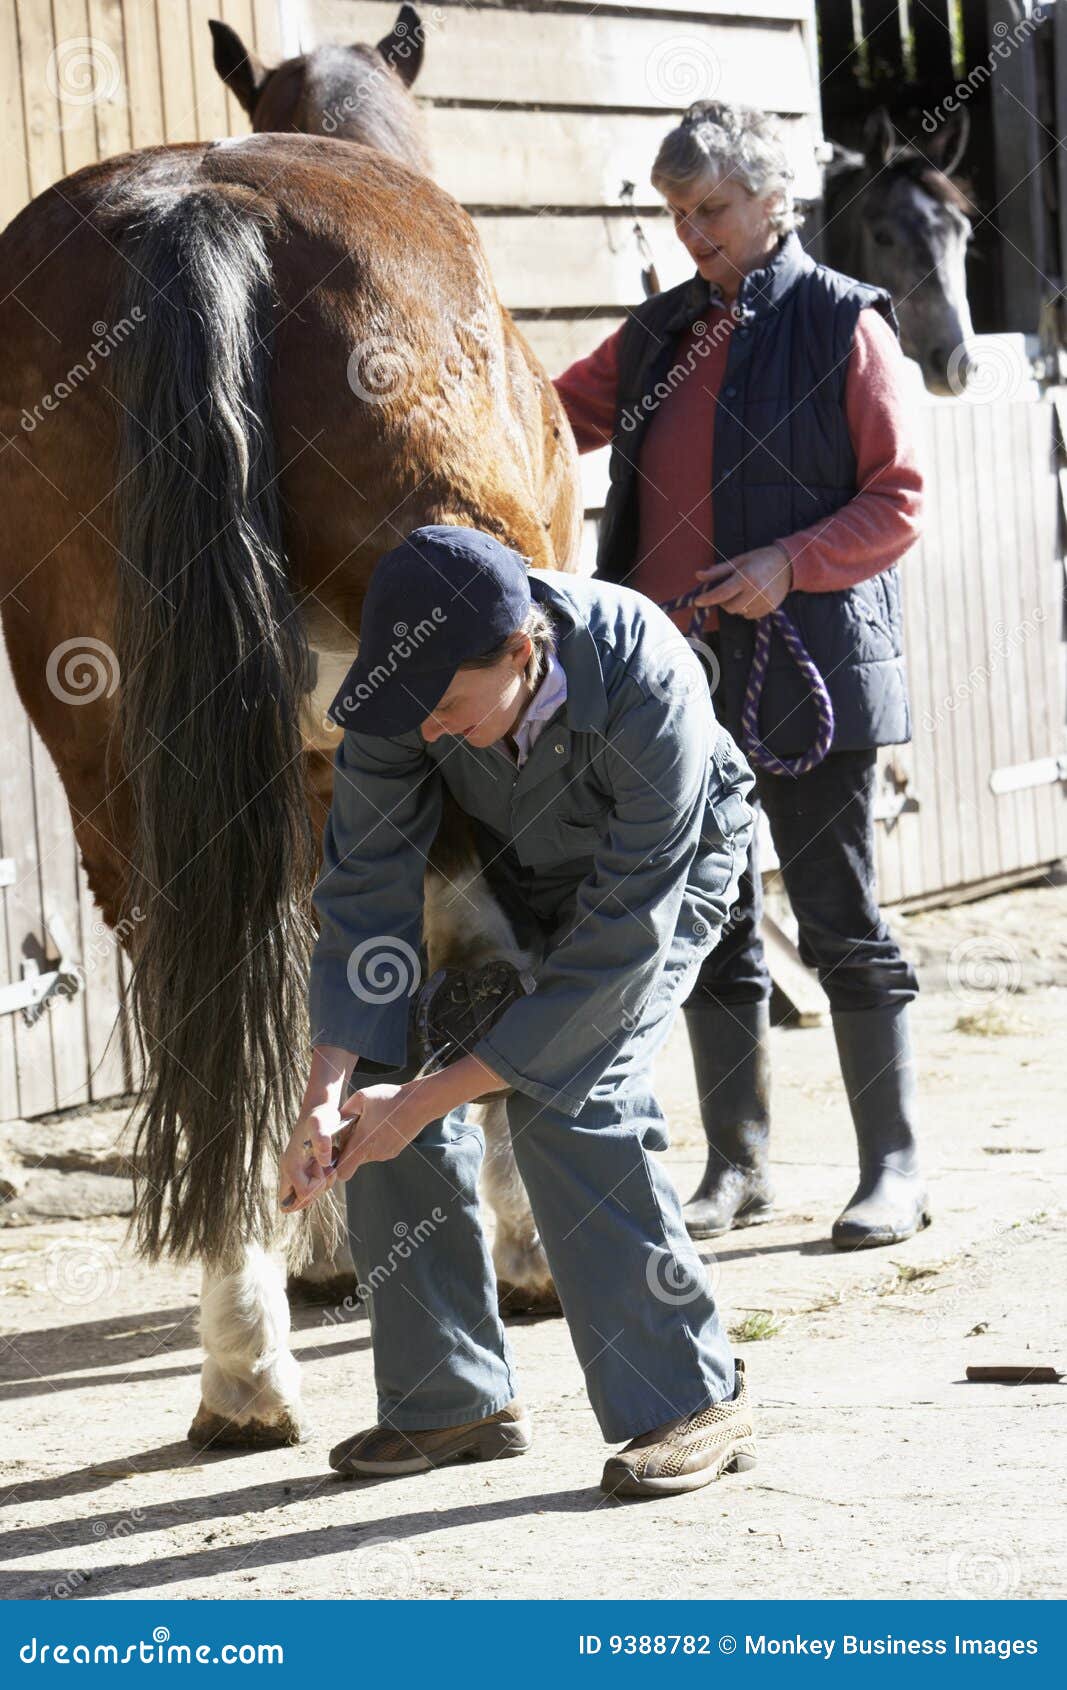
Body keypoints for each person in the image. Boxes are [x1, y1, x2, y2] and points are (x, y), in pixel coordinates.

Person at [278, 524, 759, 1499]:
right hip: (513, 867)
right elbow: (366, 895)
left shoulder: (648, 678)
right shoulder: (407, 694)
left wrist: (437, 1095)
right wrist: (327, 1088)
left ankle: (688, 1399)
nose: (427, 730)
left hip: (658, 885)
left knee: (568, 1093)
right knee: (380, 1080)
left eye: (449, 708)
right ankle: (449, 1398)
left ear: (519, 649)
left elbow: (613, 955)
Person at [553, 100, 929, 1251]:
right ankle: (737, 1163)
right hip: (672, 683)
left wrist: (788, 562)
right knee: (710, 919)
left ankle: (893, 1167)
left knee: (838, 917)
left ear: (774, 200)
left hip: (806, 664)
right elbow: (542, 416)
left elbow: (898, 497)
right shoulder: (656, 334)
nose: (692, 234)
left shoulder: (840, 323)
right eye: (675, 215)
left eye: (710, 209)